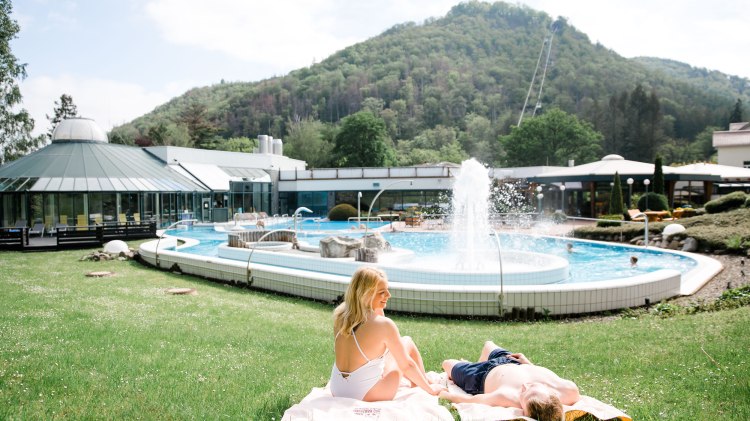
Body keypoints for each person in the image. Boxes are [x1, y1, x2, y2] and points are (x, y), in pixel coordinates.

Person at [330, 266, 444, 401]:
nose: (388, 295)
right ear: (366, 294)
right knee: (406, 346)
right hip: (365, 394)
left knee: (404, 343)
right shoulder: (384, 325)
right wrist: (431, 390)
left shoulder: (341, 315)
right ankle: (421, 386)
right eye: (382, 292)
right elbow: (406, 365)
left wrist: (377, 307)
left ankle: (419, 383)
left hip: (337, 388)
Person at [440, 341, 580, 421]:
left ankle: (471, 366)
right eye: (532, 386)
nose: (524, 385)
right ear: (552, 393)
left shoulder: (507, 396)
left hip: (481, 375)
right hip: (513, 362)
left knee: (447, 364)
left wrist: (443, 394)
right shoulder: (569, 390)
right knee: (488, 344)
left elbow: (471, 400)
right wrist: (528, 364)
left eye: (523, 392)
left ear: (523, 410)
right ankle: (474, 363)